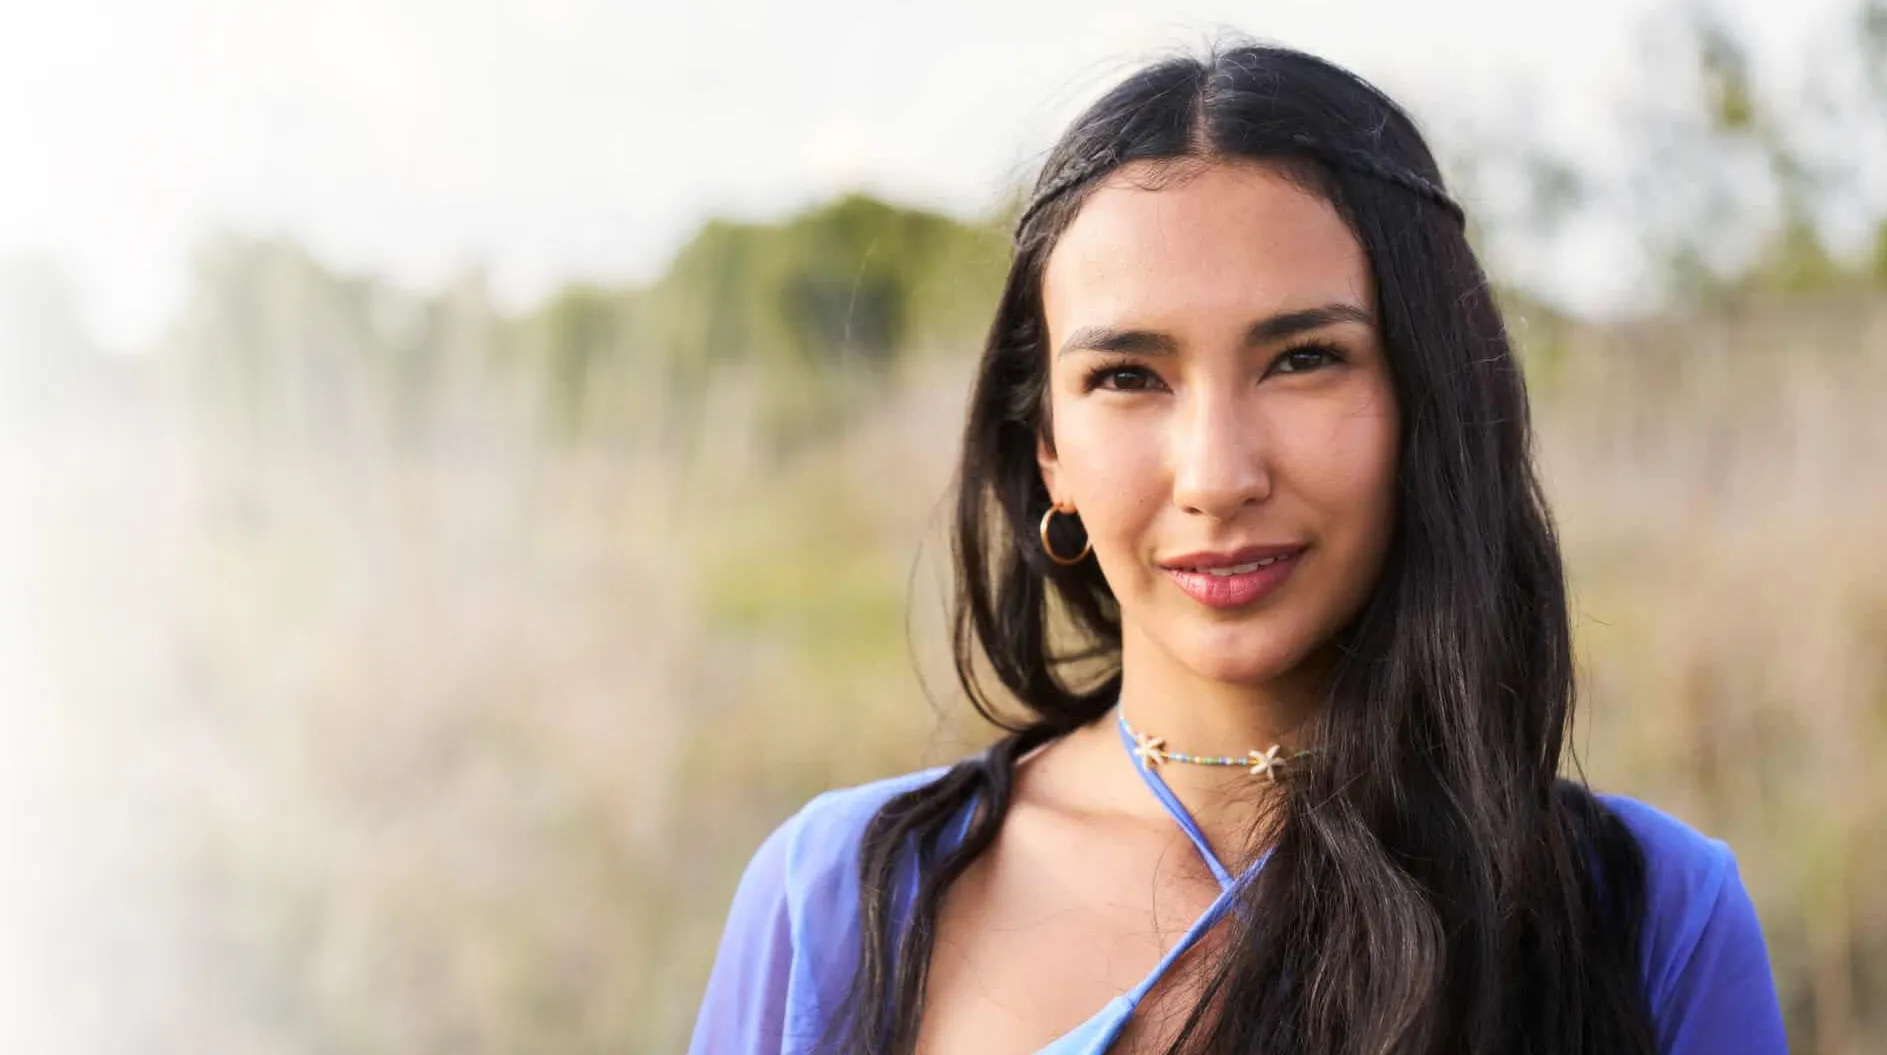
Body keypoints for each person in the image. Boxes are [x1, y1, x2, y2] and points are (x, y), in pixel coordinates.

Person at [689, 42, 1789, 1055]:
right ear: (1049, 454)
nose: (1217, 473)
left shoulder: (1643, 916)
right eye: (1125, 375)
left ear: (1430, 401)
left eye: (1303, 358)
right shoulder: (837, 899)